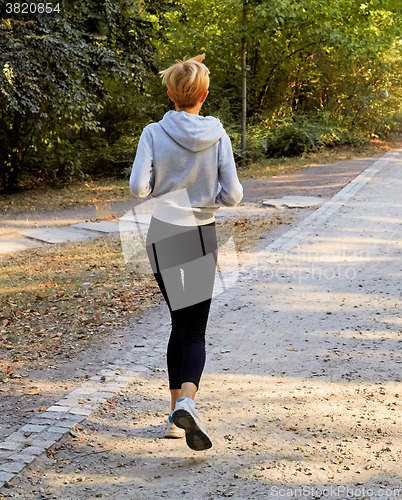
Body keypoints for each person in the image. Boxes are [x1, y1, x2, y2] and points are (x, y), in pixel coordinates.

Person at [129, 54, 243, 451]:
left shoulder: (152, 133)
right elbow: (234, 195)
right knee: (193, 328)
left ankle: (175, 418)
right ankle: (189, 403)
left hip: (162, 233)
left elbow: (137, 189)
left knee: (179, 322)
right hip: (199, 235)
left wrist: (166, 183)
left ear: (170, 93)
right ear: (204, 95)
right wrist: (204, 193)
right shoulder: (218, 135)